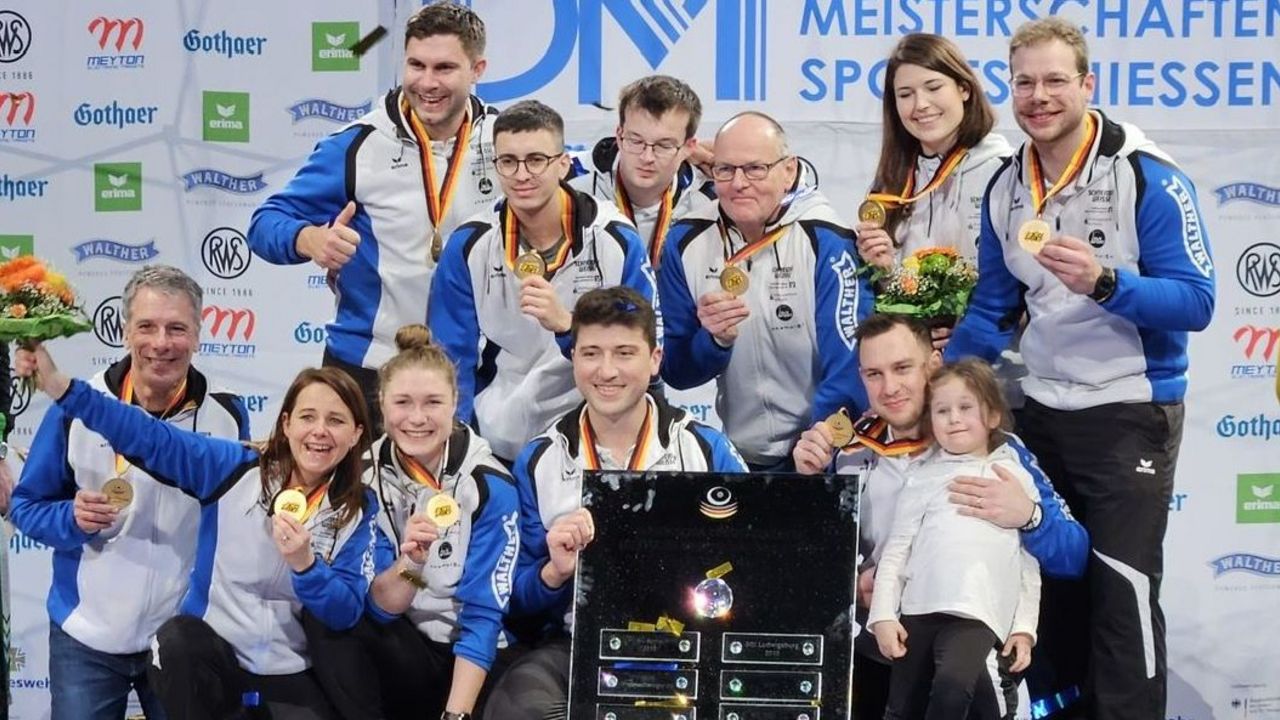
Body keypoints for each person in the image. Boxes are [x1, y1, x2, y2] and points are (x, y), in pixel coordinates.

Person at [945, 18, 1216, 719]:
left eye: (1055, 80)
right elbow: (992, 308)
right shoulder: (1007, 184)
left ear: (1088, 84)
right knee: (1049, 589)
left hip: (1129, 411)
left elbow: (1197, 301)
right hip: (1041, 410)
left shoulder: (1144, 173)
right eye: (1025, 82)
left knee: (1119, 592)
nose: (1039, 97)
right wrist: (935, 385)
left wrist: (1105, 283)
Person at [17, 346, 380, 720]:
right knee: (177, 641)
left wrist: (306, 567)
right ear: (286, 424)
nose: (319, 431)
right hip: (214, 664)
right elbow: (149, 437)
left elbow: (345, 611)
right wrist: (64, 389)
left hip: (291, 671)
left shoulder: (359, 507)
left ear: (356, 434)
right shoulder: (232, 469)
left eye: (336, 421)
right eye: (308, 417)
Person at [792, 313, 1087, 720]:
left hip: (975, 658)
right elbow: (806, 575)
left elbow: (1074, 556)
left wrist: (1030, 517)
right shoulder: (848, 454)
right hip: (881, 664)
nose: (890, 388)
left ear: (933, 364)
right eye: (874, 374)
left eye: (902, 368)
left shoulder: (997, 448)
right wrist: (807, 491)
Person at [484, 287, 746, 719]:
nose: (606, 371)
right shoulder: (539, 459)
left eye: (624, 353)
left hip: (690, 644)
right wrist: (553, 572)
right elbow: (514, 599)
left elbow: (754, 563)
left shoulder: (705, 449)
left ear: (655, 359)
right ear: (574, 359)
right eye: (591, 353)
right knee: (517, 705)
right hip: (576, 645)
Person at [9, 266, 249, 720]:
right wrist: (69, 520)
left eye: (177, 328)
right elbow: (26, 506)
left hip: (180, 635)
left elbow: (233, 522)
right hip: (87, 636)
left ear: (199, 333)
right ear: (124, 331)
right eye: (147, 326)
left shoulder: (228, 415)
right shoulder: (76, 408)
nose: (161, 342)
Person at [248, 2, 499, 427]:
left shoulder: (505, 141)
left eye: (444, 68)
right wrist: (308, 239)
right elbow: (265, 223)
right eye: (416, 65)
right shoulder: (359, 144)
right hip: (368, 367)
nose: (427, 82)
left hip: (474, 369)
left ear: (478, 69)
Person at [303, 324, 519, 720]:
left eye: (432, 402)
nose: (416, 419)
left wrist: (456, 716)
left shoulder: (489, 485)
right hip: (408, 643)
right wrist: (412, 565)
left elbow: (484, 614)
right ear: (381, 404)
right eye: (402, 402)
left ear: (456, 401)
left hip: (474, 657)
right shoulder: (362, 478)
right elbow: (381, 609)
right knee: (327, 617)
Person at [429, 100, 657, 463]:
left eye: (536, 160)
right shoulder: (469, 244)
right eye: (508, 161)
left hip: (593, 440)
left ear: (563, 164)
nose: (522, 175)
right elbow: (450, 357)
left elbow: (642, 346)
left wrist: (569, 326)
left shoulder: (614, 238)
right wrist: (461, 446)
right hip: (500, 438)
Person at [659, 111, 871, 470]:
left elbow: (851, 367)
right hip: (740, 457)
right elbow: (677, 372)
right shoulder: (686, 241)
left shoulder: (827, 240)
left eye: (755, 168)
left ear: (788, 171)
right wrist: (713, 342)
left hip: (823, 453)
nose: (739, 183)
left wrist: (816, 449)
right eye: (725, 169)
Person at [868, 359, 1040, 720]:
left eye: (965, 408)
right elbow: (897, 551)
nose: (954, 419)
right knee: (902, 707)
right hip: (918, 611)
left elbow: (1027, 558)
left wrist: (1024, 628)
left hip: (976, 614)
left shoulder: (1012, 475)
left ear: (992, 416)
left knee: (952, 687)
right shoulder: (922, 476)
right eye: (942, 410)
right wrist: (883, 614)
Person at [854, 33, 1014, 353]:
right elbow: (901, 297)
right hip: (916, 374)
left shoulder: (1005, 172)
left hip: (995, 374)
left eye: (933, 87)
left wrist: (971, 333)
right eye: (905, 94)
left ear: (964, 89)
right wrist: (884, 271)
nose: (920, 105)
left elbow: (1022, 286)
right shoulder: (892, 183)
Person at [569, 74, 714, 271]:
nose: (647, 157)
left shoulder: (711, 196)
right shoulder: (572, 181)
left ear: (689, 147)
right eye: (636, 141)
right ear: (619, 136)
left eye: (664, 145)